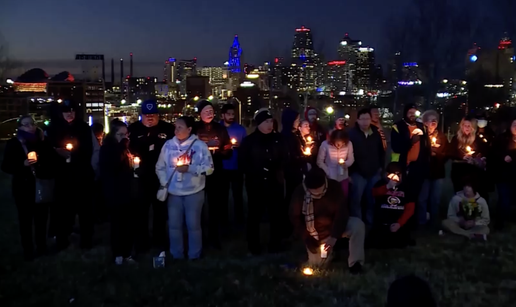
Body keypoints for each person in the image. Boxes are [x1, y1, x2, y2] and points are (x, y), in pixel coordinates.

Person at [156, 116, 214, 260]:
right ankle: (177, 254)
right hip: (174, 192)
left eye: (180, 127)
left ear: (189, 129)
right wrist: (165, 182)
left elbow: (209, 168)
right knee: (174, 225)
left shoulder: (199, 146)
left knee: (193, 224)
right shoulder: (168, 145)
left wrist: (190, 168)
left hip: (194, 191)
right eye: (175, 127)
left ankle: (194, 254)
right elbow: (160, 166)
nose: (176, 130)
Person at [1, 115, 58, 260]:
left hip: (41, 184)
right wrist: (22, 165)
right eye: (26, 125)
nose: (30, 127)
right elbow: (6, 165)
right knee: (25, 220)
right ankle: (28, 250)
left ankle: (42, 247)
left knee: (41, 218)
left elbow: (52, 159)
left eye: (32, 123)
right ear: (20, 127)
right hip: (23, 187)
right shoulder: (14, 143)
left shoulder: (42, 141)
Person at [289, 167, 365, 274]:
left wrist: (334, 236)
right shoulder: (300, 193)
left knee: (357, 225)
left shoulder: (334, 187)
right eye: (313, 191)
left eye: (319, 189)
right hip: (315, 233)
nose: (317, 193)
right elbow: (295, 218)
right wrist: (307, 238)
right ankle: (331, 254)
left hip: (335, 227)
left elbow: (342, 213)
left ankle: (355, 263)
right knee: (318, 266)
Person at [46, 99, 95, 250]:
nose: (69, 114)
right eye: (66, 111)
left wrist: (73, 155)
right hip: (63, 176)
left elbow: (88, 150)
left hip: (82, 175)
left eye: (72, 111)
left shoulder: (83, 128)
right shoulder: (54, 128)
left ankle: (86, 241)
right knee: (63, 210)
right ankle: (62, 239)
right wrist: (59, 153)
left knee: (85, 210)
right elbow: (48, 150)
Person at [128, 99, 175, 256]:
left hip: (161, 177)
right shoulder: (133, 129)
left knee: (160, 211)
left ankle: (159, 241)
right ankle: (141, 243)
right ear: (141, 115)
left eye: (153, 115)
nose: (150, 118)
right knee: (140, 212)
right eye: (147, 115)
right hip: (140, 177)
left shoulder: (168, 129)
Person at [239, 109, 287, 255]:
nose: (269, 124)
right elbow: (242, 162)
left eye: (271, 121)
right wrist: (257, 170)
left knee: (276, 214)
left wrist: (277, 169)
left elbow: (285, 158)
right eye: (266, 121)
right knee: (254, 215)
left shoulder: (278, 139)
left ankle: (275, 244)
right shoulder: (249, 141)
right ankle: (253, 246)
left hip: (275, 182)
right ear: (258, 123)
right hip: (256, 183)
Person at [100, 120, 138, 265]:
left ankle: (127, 252)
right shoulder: (108, 148)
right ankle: (118, 254)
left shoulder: (125, 147)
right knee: (117, 225)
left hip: (128, 191)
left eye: (126, 134)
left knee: (128, 224)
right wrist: (122, 147)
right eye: (120, 134)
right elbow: (113, 165)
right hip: (115, 192)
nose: (124, 137)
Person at [195, 99, 232, 248]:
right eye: (206, 111)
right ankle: (199, 235)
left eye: (211, 111)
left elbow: (228, 147)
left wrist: (222, 152)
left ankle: (214, 236)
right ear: (200, 114)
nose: (209, 113)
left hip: (216, 172)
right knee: (198, 206)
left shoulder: (220, 129)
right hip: (198, 173)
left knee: (215, 205)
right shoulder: (195, 129)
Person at [348, 108, 385, 225]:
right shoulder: (351, 134)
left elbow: (381, 151)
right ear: (358, 120)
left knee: (372, 200)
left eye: (367, 119)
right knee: (356, 200)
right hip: (357, 172)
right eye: (362, 119)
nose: (365, 121)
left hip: (374, 172)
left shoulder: (375, 133)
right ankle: (357, 224)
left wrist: (381, 167)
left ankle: (370, 224)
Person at [367, 162, 416, 249]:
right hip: (382, 223)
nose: (396, 178)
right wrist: (387, 187)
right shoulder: (380, 183)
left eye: (398, 175)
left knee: (400, 243)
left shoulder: (406, 187)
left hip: (398, 223)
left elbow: (410, 209)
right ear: (387, 174)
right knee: (376, 243)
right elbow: (374, 193)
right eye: (393, 175)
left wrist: (399, 223)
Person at [391, 104, 431, 197]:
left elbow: (427, 147)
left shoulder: (422, 127)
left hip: (419, 167)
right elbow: (396, 146)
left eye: (414, 112)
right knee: (404, 194)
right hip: (403, 167)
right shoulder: (397, 126)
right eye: (410, 112)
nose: (412, 115)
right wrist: (410, 142)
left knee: (418, 196)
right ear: (405, 113)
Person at [417, 110, 448, 227]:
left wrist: (437, 154)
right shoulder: (420, 136)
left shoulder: (441, 136)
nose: (433, 122)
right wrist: (428, 153)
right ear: (425, 122)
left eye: (435, 120)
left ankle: (434, 223)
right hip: (424, 172)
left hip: (438, 172)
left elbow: (446, 153)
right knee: (422, 199)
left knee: (435, 199)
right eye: (431, 120)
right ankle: (421, 221)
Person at [219, 104, 247, 227]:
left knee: (238, 195)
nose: (231, 116)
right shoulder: (218, 128)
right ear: (222, 115)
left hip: (237, 167)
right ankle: (223, 221)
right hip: (222, 167)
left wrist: (239, 147)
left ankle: (239, 221)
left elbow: (246, 147)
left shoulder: (240, 129)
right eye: (228, 114)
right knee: (222, 197)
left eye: (232, 114)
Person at [447, 116, 486, 195]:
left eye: (469, 126)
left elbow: (483, 153)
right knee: (459, 195)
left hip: (473, 173)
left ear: (473, 127)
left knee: (472, 195)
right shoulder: (456, 139)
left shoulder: (477, 140)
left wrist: (474, 160)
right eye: (465, 125)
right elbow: (450, 152)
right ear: (462, 126)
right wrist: (462, 157)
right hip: (459, 172)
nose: (467, 128)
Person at [489, 118, 516, 228]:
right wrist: (503, 156)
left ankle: (510, 218)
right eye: (515, 124)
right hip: (503, 175)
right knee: (504, 198)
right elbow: (494, 152)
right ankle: (499, 223)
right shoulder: (502, 138)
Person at [317, 129, 354, 198]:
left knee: (343, 196)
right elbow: (319, 161)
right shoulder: (325, 145)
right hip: (330, 177)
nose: (339, 146)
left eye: (342, 144)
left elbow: (351, 158)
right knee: (331, 197)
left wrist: (346, 164)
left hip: (343, 176)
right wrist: (328, 172)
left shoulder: (349, 144)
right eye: (337, 144)